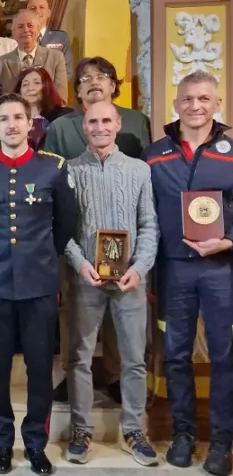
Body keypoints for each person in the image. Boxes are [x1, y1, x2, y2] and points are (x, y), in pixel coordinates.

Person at [0, 93, 77, 475]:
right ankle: (2, 443)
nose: (12, 124)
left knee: (39, 368)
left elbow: (65, 225)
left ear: (31, 124)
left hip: (39, 284)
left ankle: (35, 444)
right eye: (4, 118)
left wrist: (43, 258)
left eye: (19, 117)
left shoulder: (52, 168)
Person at [143, 71, 233, 476]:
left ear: (217, 104)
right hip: (174, 271)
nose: (195, 106)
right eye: (188, 99)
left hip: (222, 271)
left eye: (204, 99)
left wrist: (229, 240)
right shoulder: (155, 154)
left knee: (224, 356)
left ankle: (221, 441)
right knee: (176, 355)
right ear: (176, 105)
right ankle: (183, 434)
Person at [62, 101, 159, 467]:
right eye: (92, 121)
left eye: (106, 120)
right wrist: (80, 263)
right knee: (79, 358)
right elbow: (64, 231)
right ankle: (81, 429)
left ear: (118, 123)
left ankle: (134, 429)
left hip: (131, 280)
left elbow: (150, 225)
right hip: (86, 279)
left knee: (135, 358)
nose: (99, 127)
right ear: (83, 127)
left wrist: (141, 266)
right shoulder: (70, 171)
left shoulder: (140, 171)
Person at [43, 57, 151, 160]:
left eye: (101, 77)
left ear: (113, 86)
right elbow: (49, 171)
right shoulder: (59, 127)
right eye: (86, 79)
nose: (94, 82)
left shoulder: (138, 121)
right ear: (79, 90)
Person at [0, 11, 68, 103]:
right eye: (20, 26)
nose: (25, 30)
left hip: (49, 116)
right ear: (14, 33)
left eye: (30, 26)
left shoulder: (56, 58)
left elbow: (61, 98)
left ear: (38, 30)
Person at [14, 66, 73, 150]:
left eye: (37, 83)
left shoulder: (62, 117)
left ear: (47, 87)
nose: (30, 88)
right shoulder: (12, 119)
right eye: (25, 84)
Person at [28, 0, 73, 80]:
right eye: (33, 8)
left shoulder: (61, 38)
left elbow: (68, 71)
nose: (37, 11)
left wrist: (50, 89)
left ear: (49, 13)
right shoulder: (19, 39)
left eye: (41, 7)